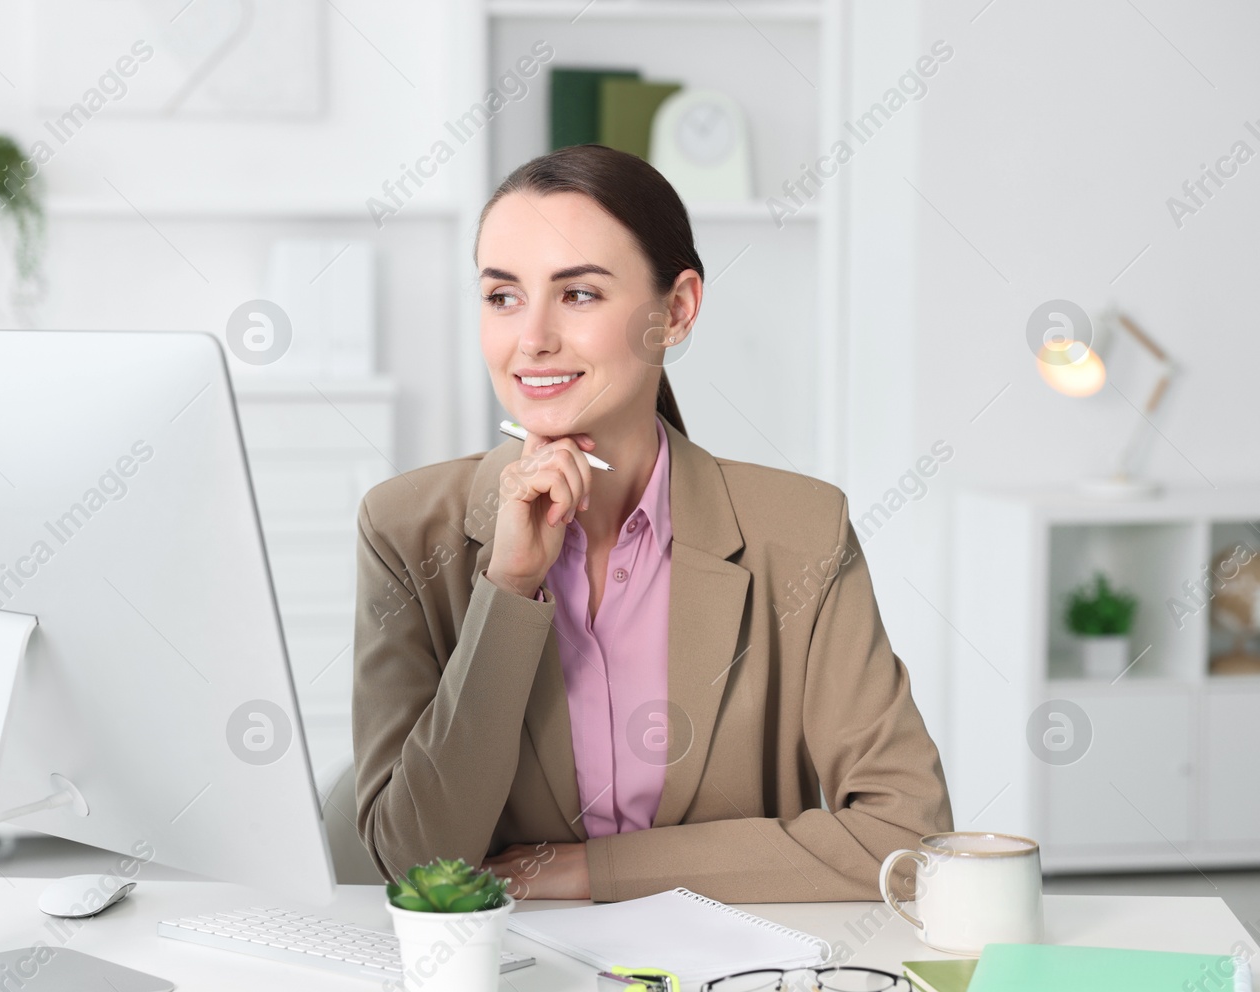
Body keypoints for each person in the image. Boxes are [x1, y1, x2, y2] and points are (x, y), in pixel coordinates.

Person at [351, 144, 952, 903]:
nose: (530, 337)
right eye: (502, 296)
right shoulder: (406, 530)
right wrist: (508, 589)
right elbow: (412, 863)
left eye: (578, 295)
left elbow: (906, 837)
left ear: (676, 310)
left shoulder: (800, 531)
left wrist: (595, 871)